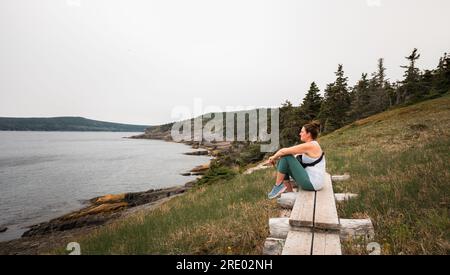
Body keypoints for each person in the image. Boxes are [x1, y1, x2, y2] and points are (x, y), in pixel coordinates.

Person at [266, 121, 326, 199]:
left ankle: (278, 186)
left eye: (302, 132)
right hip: (313, 181)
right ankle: (289, 191)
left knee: (286, 156)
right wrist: (278, 158)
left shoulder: (310, 145)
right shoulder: (312, 145)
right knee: (282, 159)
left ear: (308, 134)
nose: (300, 134)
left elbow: (283, 151)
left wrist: (273, 157)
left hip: (313, 183)